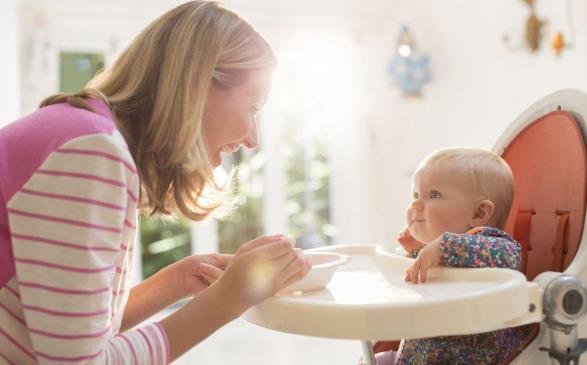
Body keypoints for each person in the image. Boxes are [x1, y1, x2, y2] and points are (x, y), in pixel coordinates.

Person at [0, 1, 311, 363]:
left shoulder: (85, 134)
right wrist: (226, 301)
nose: (252, 138)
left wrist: (176, 281)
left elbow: (70, 335)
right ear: (198, 84)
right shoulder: (92, 150)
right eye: (254, 107)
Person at [371, 147, 531, 365]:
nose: (415, 204)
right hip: (414, 356)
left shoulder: (490, 244)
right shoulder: (437, 254)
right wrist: (412, 252)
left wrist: (443, 246)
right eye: (415, 195)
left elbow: (509, 256)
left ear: (479, 213)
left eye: (433, 195)